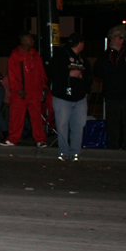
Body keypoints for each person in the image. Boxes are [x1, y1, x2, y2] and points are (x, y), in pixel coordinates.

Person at [93, 28, 126, 150]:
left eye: (114, 38)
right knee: (112, 122)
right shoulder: (106, 55)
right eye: (111, 38)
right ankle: (113, 146)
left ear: (121, 40)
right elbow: (97, 71)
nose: (112, 40)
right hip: (112, 95)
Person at [48, 33, 92, 161]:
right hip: (63, 97)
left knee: (78, 125)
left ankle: (75, 152)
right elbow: (51, 72)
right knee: (62, 125)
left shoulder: (82, 58)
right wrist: (68, 74)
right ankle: (63, 151)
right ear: (79, 43)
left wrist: (87, 90)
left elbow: (89, 75)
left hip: (79, 98)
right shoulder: (61, 55)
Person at [3, 33, 47, 147]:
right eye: (30, 39)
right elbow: (11, 74)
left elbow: (41, 73)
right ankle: (13, 139)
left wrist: (44, 87)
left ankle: (40, 140)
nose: (33, 41)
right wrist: (18, 88)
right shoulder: (15, 55)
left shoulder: (35, 55)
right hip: (20, 93)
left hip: (35, 92)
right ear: (23, 41)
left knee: (36, 117)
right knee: (16, 116)